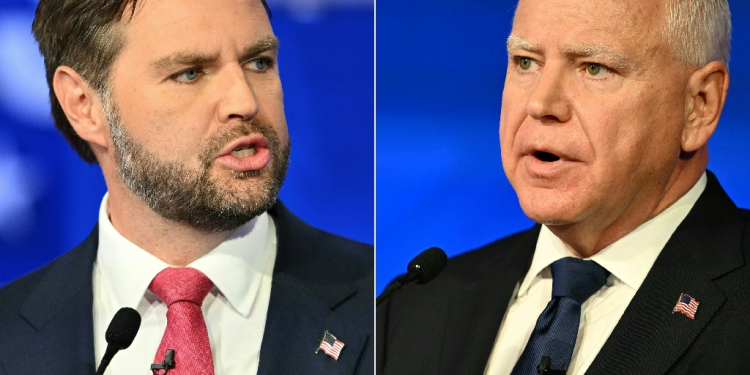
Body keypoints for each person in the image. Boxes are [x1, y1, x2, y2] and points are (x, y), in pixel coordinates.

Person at [377, 0, 750, 374]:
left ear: (699, 105)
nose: (540, 103)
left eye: (595, 68)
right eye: (526, 62)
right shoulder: (413, 307)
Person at [0, 0, 373, 374]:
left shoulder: (390, 304)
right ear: (83, 105)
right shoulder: (8, 336)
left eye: (259, 62)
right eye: (190, 73)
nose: (245, 101)